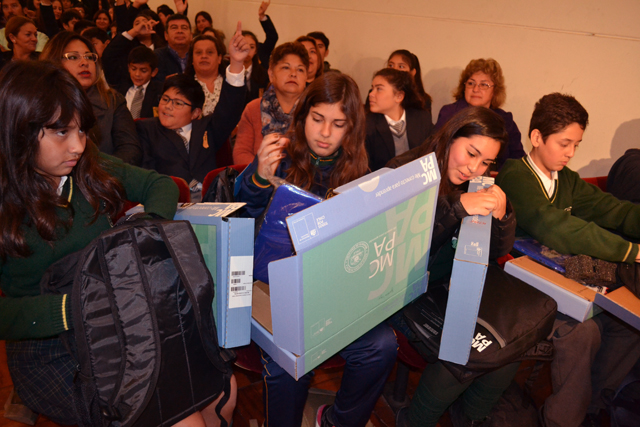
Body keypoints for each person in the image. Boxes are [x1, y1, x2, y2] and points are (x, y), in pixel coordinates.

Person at [0, 60, 239, 427]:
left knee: (224, 391)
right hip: (51, 343)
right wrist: (73, 307)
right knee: (184, 418)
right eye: (62, 132)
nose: (78, 145)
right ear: (18, 131)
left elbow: (159, 185)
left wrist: (139, 235)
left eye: (82, 130)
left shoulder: (84, 164)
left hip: (118, 317)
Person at [236, 72, 398, 427]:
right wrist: (259, 177)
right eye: (317, 119)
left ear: (351, 128)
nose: (325, 133)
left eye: (338, 124)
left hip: (331, 289)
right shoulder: (278, 156)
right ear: (302, 116)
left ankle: (336, 422)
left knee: (381, 346)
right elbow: (238, 215)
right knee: (291, 364)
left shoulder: (358, 168)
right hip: (272, 289)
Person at [496, 93, 640, 427]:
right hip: (520, 288)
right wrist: (632, 251)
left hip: (562, 283)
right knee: (583, 333)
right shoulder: (516, 176)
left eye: (576, 144)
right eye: (564, 144)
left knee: (628, 326)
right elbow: (554, 226)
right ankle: (561, 420)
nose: (571, 153)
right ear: (536, 137)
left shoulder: (567, 180)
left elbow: (613, 210)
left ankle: (592, 405)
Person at [386, 106, 517, 427]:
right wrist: (456, 207)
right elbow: (395, 250)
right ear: (451, 136)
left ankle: (470, 417)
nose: (474, 168)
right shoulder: (403, 171)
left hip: (449, 289)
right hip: (400, 293)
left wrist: (502, 217)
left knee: (508, 346)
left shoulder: (477, 183)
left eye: (486, 162)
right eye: (471, 153)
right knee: (460, 354)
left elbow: (496, 251)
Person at [137, 21, 248, 202]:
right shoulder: (146, 129)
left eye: (178, 103)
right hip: (169, 203)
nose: (168, 106)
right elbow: (144, 173)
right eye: (165, 99)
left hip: (210, 203)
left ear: (196, 113)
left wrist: (236, 62)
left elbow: (229, 109)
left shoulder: (207, 128)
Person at [40, 31, 142, 166]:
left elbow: (130, 150)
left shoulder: (112, 101)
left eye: (89, 57)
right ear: (54, 61)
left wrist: (96, 174)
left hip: (103, 174)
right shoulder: (37, 102)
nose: (84, 63)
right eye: (73, 57)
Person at [436, 58, 525, 169]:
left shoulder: (505, 120)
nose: (475, 89)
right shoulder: (449, 113)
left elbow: (517, 160)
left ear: (495, 90)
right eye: (471, 83)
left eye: (483, 85)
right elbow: (436, 151)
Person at [232, 41, 308, 165]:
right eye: (286, 67)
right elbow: (241, 153)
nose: (293, 74)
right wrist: (264, 172)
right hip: (259, 175)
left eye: (300, 70)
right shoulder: (253, 109)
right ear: (271, 74)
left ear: (306, 78)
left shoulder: (314, 111)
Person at [366, 68, 434, 171]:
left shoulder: (422, 119)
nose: (371, 94)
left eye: (379, 89)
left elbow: (432, 154)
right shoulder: (366, 125)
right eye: (372, 88)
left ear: (399, 96)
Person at [102, 13, 158, 87]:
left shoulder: (162, 48)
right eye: (137, 23)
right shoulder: (127, 51)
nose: (142, 25)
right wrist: (135, 31)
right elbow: (108, 55)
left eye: (145, 22)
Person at [113, 45, 162, 119]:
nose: (137, 74)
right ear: (128, 68)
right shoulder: (118, 89)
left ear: (153, 72)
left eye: (143, 71)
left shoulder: (160, 91)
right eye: (133, 69)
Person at [185, 34, 226, 116]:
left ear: (219, 58)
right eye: (198, 52)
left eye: (209, 52)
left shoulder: (231, 83)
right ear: (192, 59)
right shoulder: (184, 86)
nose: (204, 56)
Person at [386, 49, 431, 116]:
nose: (394, 70)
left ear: (412, 72)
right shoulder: (376, 94)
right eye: (391, 65)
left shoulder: (422, 99)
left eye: (401, 67)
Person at [155, 12, 192, 81]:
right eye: (174, 28)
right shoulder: (156, 56)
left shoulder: (199, 55)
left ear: (191, 35)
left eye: (184, 28)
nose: (180, 31)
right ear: (166, 35)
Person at [241, 30, 269, 103]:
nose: (248, 50)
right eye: (244, 46)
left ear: (256, 50)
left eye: (252, 47)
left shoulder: (263, 73)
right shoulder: (230, 72)